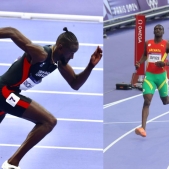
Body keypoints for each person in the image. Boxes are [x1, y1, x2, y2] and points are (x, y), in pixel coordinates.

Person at [0, 27, 102, 169]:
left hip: (10, 93)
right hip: (4, 91)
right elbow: (12, 31)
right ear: (60, 47)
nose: (72, 57)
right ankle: (11, 164)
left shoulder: (58, 63)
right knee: (48, 121)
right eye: (71, 53)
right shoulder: (41, 54)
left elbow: (75, 84)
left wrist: (90, 66)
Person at [134, 24, 169, 137]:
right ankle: (143, 128)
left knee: (165, 101)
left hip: (161, 77)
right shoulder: (148, 43)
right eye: (156, 29)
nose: (158, 30)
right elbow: (145, 55)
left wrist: (165, 63)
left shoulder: (167, 45)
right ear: (154, 31)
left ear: (163, 32)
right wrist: (139, 62)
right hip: (150, 76)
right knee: (147, 101)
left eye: (160, 29)